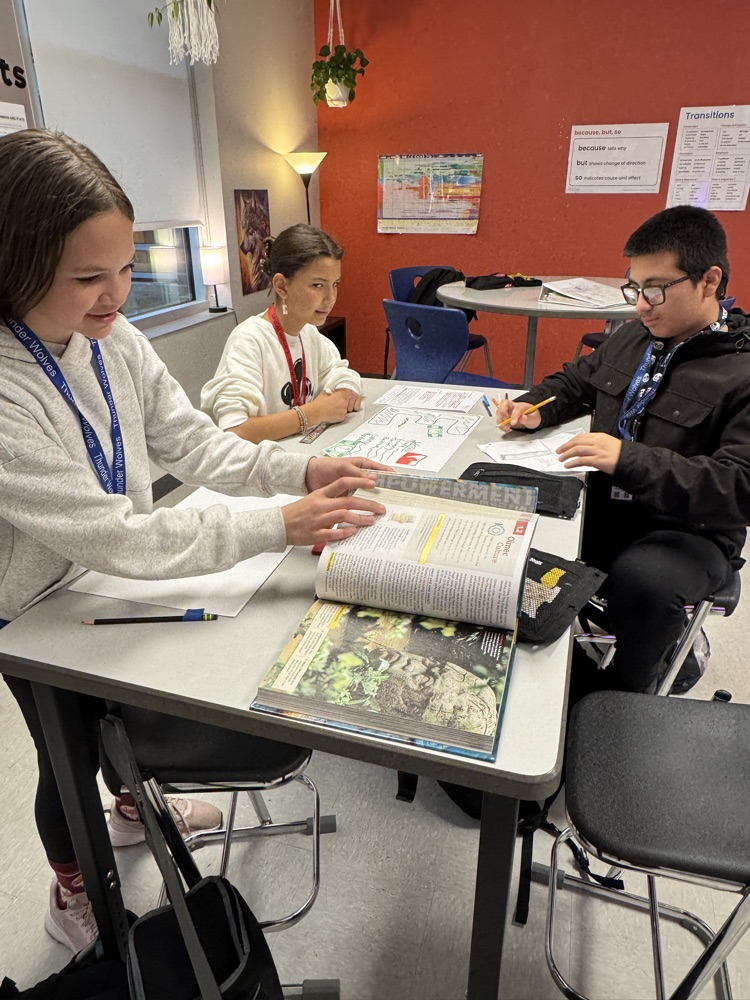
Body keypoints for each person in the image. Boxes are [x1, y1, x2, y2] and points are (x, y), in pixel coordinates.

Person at [0, 129, 387, 954]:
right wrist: (274, 524)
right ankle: (75, 893)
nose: (117, 296)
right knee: (62, 753)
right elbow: (119, 534)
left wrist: (300, 469)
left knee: (125, 716)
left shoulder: (113, 337)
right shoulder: (6, 389)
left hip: (110, 578)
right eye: (89, 278)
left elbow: (196, 444)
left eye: (126, 269)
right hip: (31, 606)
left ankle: (140, 803)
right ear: (17, 265)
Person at [496, 205, 750, 695]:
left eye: (655, 289)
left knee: (643, 581)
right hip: (607, 506)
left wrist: (625, 458)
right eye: (634, 288)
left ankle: (621, 698)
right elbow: (576, 382)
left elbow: (739, 487)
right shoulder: (636, 335)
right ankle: (541, 674)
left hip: (688, 532)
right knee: (514, 529)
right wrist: (534, 408)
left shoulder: (740, 373)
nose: (640, 304)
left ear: (709, 280)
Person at [201, 224, 362, 443]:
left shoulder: (308, 333)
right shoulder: (249, 340)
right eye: (317, 285)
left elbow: (338, 370)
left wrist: (345, 389)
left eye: (335, 284)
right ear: (281, 286)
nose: (330, 297)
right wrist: (313, 413)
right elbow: (236, 430)